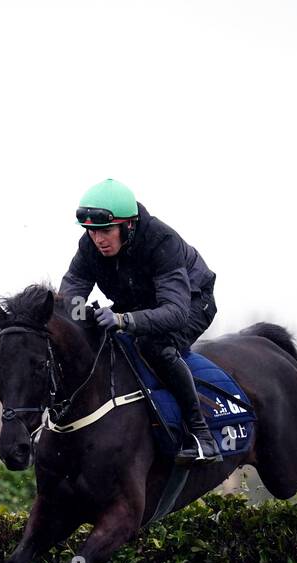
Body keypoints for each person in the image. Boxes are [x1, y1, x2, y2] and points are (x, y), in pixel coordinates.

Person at [59, 178, 222, 464]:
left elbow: (175, 312)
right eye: (92, 231)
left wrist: (122, 319)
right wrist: (79, 318)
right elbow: (72, 289)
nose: (98, 240)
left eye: (106, 231)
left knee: (154, 346)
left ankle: (202, 436)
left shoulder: (161, 240)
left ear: (128, 225)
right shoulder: (89, 246)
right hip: (140, 302)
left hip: (192, 302)